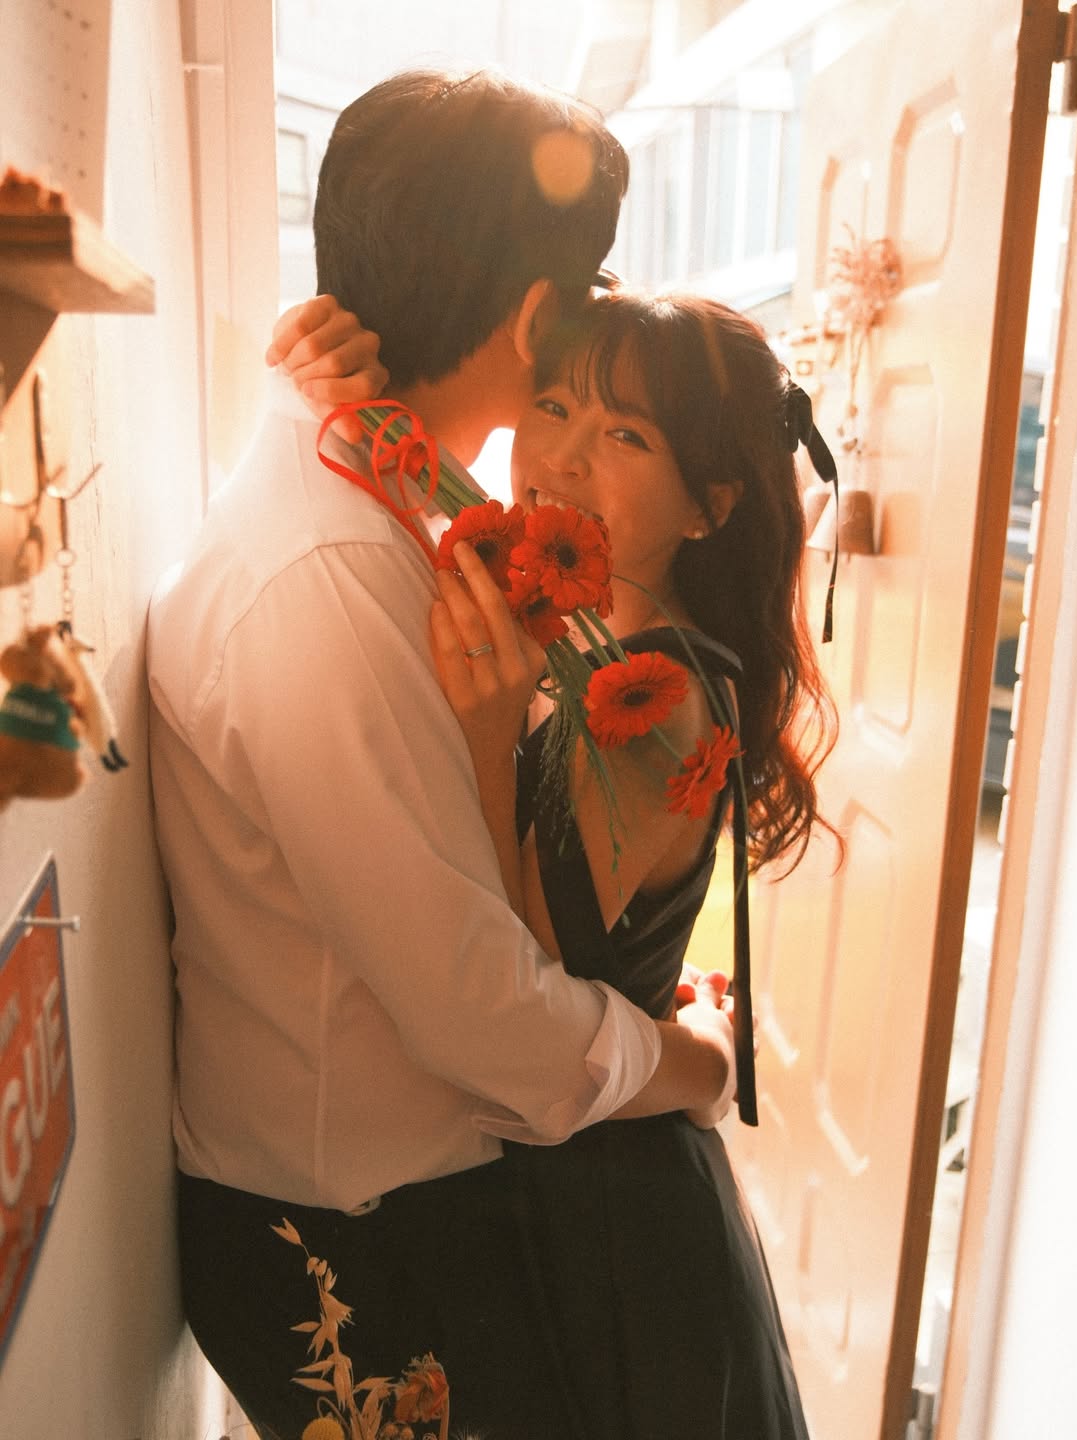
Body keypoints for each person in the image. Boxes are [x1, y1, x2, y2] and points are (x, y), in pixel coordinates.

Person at [146, 70, 740, 1440]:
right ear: (536, 317)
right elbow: (481, 1018)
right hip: (349, 1248)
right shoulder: (329, 576)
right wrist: (689, 1064)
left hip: (383, 1201)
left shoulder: (369, 470)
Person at [280, 281, 838, 1438]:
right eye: (553, 407)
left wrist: (491, 739)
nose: (562, 457)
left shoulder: (659, 695)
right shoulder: (583, 632)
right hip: (592, 1172)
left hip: (614, 1225)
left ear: (710, 505)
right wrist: (321, 372)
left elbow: (526, 977)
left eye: (626, 436)